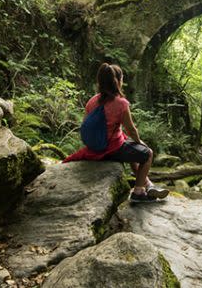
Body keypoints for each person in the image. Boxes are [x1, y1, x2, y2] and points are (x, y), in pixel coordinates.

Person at [64, 63, 169, 202]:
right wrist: (140, 142)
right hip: (112, 149)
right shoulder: (121, 103)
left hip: (95, 148)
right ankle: (138, 192)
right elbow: (131, 129)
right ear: (118, 81)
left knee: (131, 146)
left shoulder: (92, 101)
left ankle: (147, 184)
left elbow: (84, 124)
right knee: (147, 153)